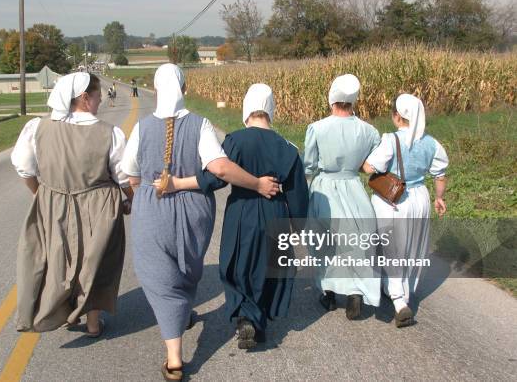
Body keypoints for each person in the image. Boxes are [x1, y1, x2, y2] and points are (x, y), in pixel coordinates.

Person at [121, 64, 279, 381]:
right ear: (185, 89)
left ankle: (174, 358)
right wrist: (258, 184)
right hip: (195, 213)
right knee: (185, 269)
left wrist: (143, 199)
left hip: (153, 206)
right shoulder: (201, 124)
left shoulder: (140, 128)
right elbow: (219, 168)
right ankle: (180, 324)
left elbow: (130, 173)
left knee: (160, 281)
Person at [162, 84, 309, 349]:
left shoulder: (236, 141)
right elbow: (298, 194)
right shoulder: (288, 148)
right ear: (271, 109)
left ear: (246, 108)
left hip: (242, 209)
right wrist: (298, 226)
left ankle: (246, 317)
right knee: (268, 267)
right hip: (275, 210)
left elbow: (214, 178)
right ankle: (257, 319)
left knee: (238, 265)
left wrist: (178, 183)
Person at [11, 72, 134, 337]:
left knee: (58, 259)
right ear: (84, 98)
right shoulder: (109, 133)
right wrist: (131, 201)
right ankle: (91, 323)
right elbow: (124, 177)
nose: (100, 101)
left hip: (53, 202)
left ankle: (63, 312)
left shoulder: (38, 127)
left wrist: (41, 196)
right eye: (98, 96)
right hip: (99, 205)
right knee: (96, 263)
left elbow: (24, 169)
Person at [362, 93, 448, 327]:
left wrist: (362, 162)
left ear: (397, 116)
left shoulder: (391, 140)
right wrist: (439, 198)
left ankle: (398, 300)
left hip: (392, 198)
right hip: (420, 196)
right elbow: (440, 174)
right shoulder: (432, 143)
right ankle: (405, 290)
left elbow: (370, 167)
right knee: (413, 247)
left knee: (390, 247)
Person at [304, 74, 381, 320]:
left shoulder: (317, 128)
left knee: (325, 243)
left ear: (332, 98)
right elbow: (372, 165)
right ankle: (355, 291)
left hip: (325, 187)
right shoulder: (369, 131)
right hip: (354, 188)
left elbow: (309, 165)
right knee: (356, 242)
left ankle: (328, 291)